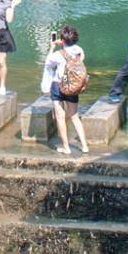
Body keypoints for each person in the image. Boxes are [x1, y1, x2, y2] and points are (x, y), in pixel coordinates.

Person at [42, 25, 92, 156]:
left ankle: (66, 148)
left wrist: (52, 48)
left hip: (58, 86)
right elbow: (81, 55)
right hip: (73, 87)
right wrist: (64, 43)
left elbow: (47, 64)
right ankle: (85, 146)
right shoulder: (79, 52)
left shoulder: (57, 55)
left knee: (60, 117)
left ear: (62, 40)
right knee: (74, 116)